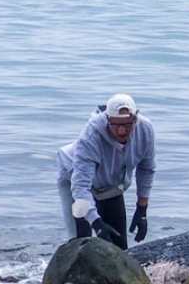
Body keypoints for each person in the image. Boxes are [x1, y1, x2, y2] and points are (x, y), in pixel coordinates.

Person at [56, 93, 156, 250]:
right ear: (108, 120)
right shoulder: (90, 136)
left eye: (128, 125)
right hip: (73, 178)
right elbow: (80, 187)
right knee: (81, 244)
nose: (122, 131)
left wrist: (142, 210)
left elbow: (146, 169)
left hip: (109, 184)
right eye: (116, 125)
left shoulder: (145, 129)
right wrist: (97, 223)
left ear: (135, 119)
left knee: (119, 247)